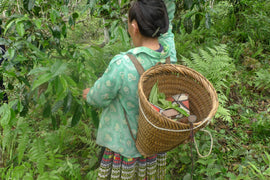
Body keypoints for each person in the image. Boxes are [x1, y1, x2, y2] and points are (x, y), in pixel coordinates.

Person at [83, 0, 176, 179]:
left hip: (126, 148)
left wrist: (89, 94)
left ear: (134, 27)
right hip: (152, 145)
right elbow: (168, 33)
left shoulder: (122, 64)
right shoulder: (169, 57)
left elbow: (99, 98)